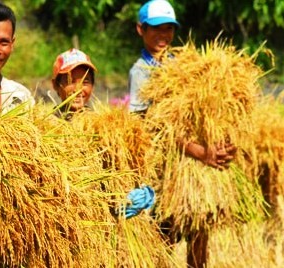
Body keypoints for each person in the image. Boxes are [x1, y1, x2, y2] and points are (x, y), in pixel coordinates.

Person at [127, 1, 236, 267]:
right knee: (165, 234)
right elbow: (151, 125)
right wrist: (197, 150)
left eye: (168, 29)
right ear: (141, 29)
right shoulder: (141, 72)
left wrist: (220, 140)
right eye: (155, 29)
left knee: (200, 234)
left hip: (197, 166)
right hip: (167, 168)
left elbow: (206, 109)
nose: (163, 36)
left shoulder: (183, 65)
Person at [51, 48, 155, 218]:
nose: (78, 89)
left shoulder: (105, 128)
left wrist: (133, 191)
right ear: (56, 85)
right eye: (70, 81)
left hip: (103, 219)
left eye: (85, 82)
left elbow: (121, 169)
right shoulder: (50, 127)